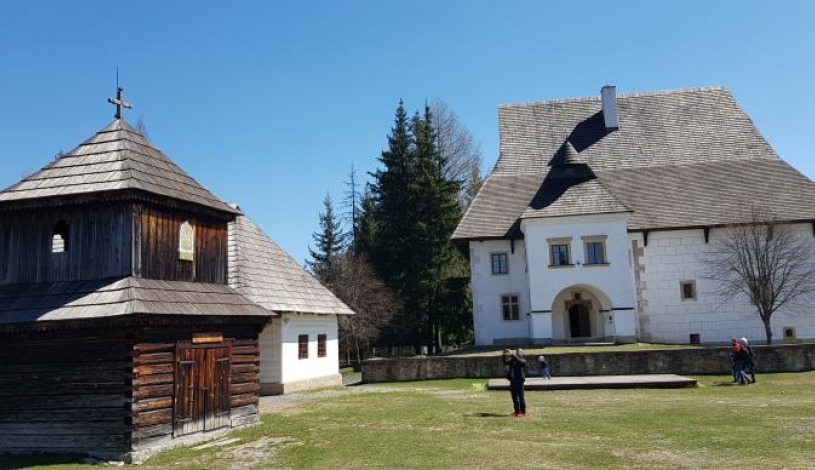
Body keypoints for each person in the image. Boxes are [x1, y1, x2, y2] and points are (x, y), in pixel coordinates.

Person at [503, 348, 527, 417]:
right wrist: (504, 354)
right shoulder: (513, 360)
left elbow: (521, 363)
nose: (517, 352)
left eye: (519, 351)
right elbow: (505, 362)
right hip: (513, 380)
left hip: (519, 380)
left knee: (521, 397)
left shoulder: (522, 360)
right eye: (517, 351)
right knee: (514, 397)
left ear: (522, 354)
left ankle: (522, 411)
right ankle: (517, 411)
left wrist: (514, 356)